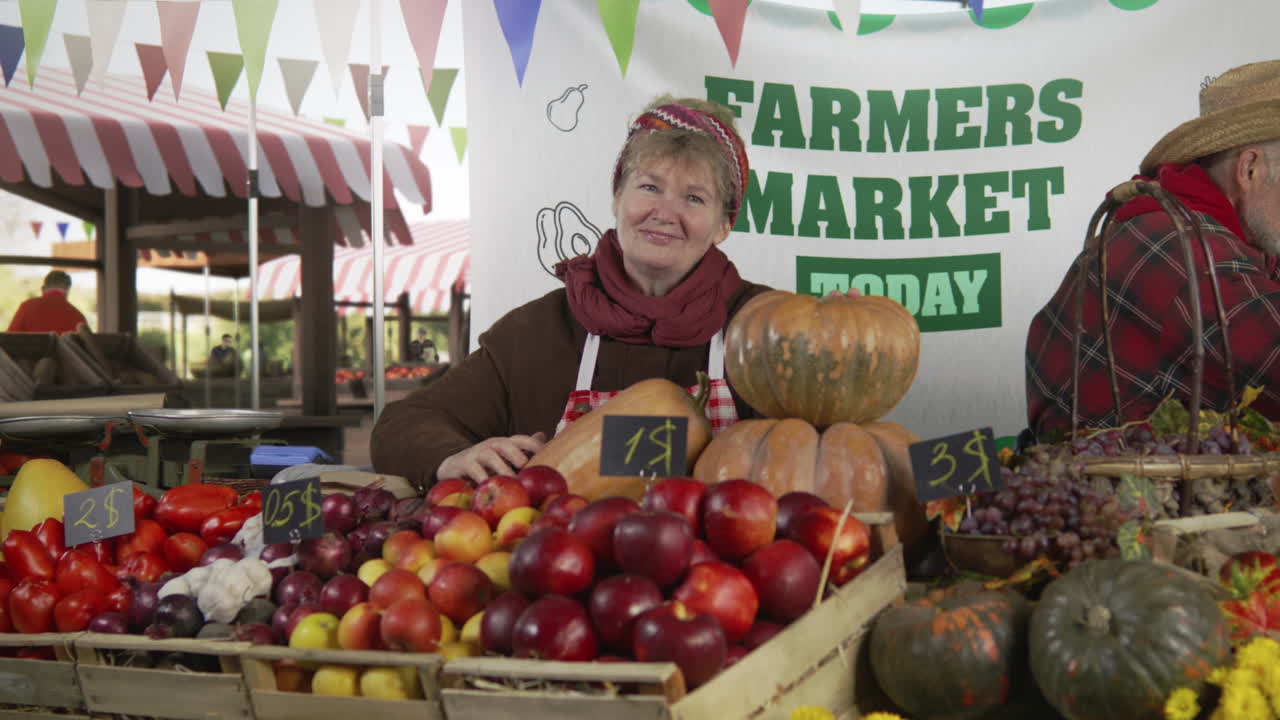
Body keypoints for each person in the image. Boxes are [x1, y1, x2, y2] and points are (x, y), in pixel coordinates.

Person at [371, 96, 770, 489]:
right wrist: (451, 455)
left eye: (694, 197)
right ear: (618, 198)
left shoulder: (764, 327)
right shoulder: (536, 331)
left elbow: (819, 445)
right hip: (561, 552)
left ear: (723, 224)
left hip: (716, 553)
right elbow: (404, 423)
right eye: (649, 187)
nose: (664, 213)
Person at [1026, 59, 1280, 436]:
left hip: (1104, 476)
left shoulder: (1183, 222)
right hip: (1119, 489)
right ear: (1250, 169)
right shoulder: (1195, 251)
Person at [7, 270, 88, 334]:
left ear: (43, 288)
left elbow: (9, 338)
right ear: (67, 289)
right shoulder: (79, 317)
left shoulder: (26, 307)